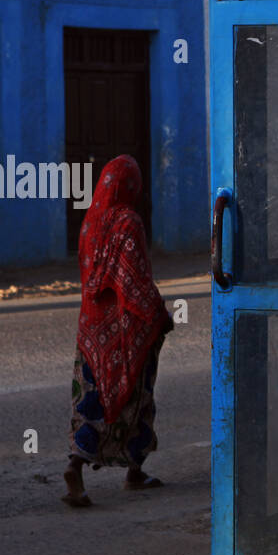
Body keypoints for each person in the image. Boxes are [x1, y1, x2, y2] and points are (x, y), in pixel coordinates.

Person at [62, 155, 174, 507]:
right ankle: (134, 472)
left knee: (90, 401)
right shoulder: (129, 223)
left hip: (91, 331)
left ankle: (77, 468)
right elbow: (134, 279)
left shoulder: (89, 223)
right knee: (138, 400)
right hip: (127, 331)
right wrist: (159, 313)